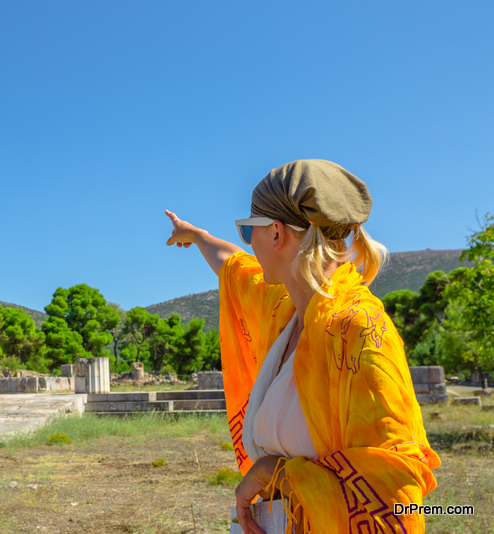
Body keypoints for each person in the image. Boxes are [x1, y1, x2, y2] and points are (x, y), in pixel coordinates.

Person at [165, 160, 440, 534]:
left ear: (276, 234)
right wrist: (196, 235)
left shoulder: (359, 331)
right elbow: (232, 264)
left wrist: (275, 471)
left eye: (249, 230)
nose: (248, 243)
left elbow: (395, 482)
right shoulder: (285, 309)